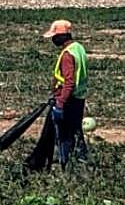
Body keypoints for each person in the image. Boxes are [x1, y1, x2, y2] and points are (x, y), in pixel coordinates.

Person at [27, 19, 89, 170]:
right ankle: (79, 163)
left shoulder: (67, 55)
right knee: (75, 132)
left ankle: (65, 166)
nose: (53, 40)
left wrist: (60, 104)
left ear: (63, 36)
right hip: (78, 98)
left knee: (64, 136)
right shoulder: (78, 48)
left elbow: (69, 82)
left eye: (55, 37)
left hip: (67, 100)